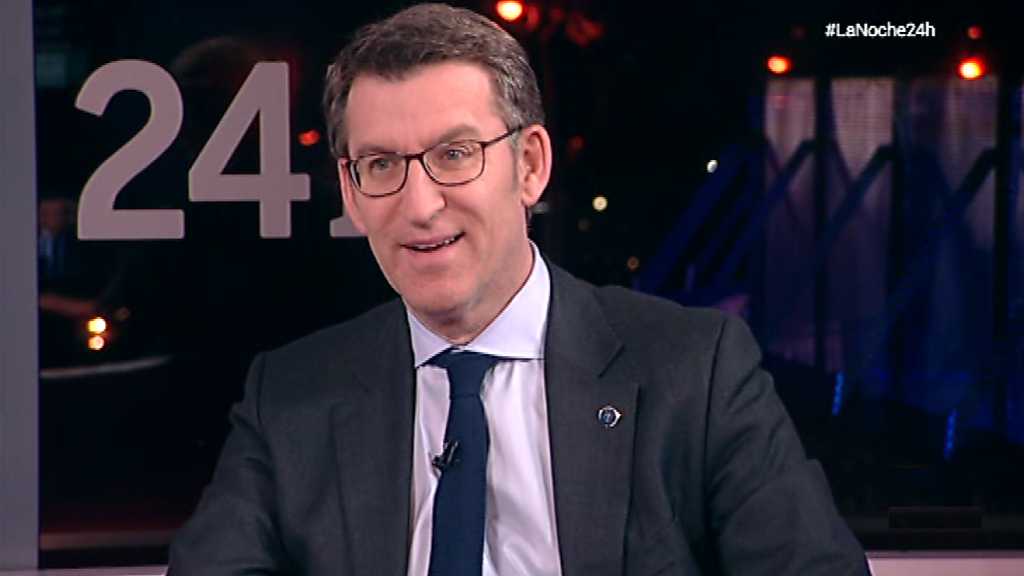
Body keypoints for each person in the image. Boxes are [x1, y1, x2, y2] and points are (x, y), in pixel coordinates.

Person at [167, 4, 869, 575]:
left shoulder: (694, 369)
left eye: (454, 155)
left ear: (529, 166)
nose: (420, 205)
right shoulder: (290, 396)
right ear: (350, 193)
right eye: (381, 165)